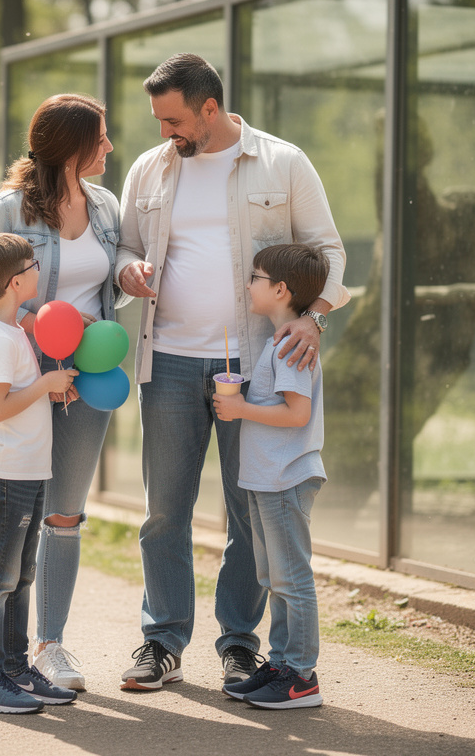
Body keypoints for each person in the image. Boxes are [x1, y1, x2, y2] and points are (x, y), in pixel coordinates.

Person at [115, 53, 351, 690]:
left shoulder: (283, 162)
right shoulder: (148, 168)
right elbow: (128, 248)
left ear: (209, 108)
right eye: (159, 120)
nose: (165, 132)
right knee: (164, 511)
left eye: (173, 119)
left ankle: (239, 645)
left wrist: (313, 315)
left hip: (254, 369)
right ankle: (161, 641)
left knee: (249, 513)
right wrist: (127, 272)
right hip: (166, 360)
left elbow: (328, 253)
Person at [0, 93, 123, 690]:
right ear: (73, 148)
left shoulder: (105, 206)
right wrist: (32, 326)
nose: (109, 146)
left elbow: (110, 280)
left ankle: (50, 647)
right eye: (100, 138)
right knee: (20, 524)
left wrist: (129, 274)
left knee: (64, 514)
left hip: (88, 379)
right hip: (31, 378)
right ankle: (0, 666)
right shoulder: (7, 208)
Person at [0, 232, 80, 714]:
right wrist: (46, 383)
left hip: (26, 469)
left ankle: (13, 668)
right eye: (31, 267)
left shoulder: (11, 331)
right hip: (6, 472)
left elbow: (14, 395)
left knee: (21, 575)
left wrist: (46, 390)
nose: (37, 271)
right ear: (14, 282)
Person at [213, 243, 329, 709]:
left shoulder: (290, 345)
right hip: (266, 480)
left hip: (285, 479)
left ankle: (300, 676)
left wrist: (240, 408)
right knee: (272, 575)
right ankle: (281, 664)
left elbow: (297, 413)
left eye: (255, 277)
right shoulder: (276, 340)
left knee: (291, 578)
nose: (248, 285)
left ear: (280, 289)